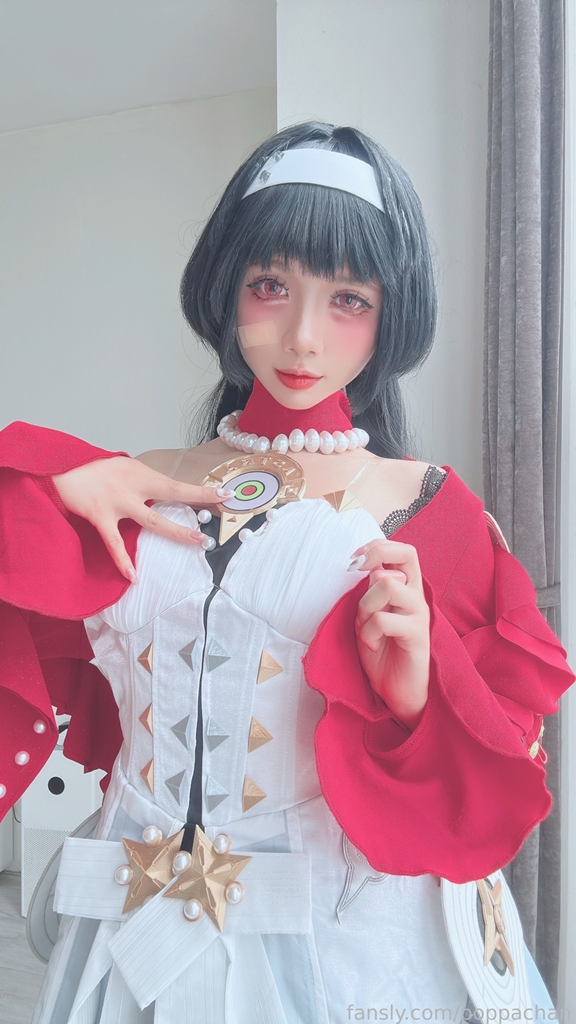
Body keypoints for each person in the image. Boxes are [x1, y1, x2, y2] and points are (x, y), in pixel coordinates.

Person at [0, 122, 573, 1024]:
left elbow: (503, 747)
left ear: (391, 312)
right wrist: (48, 478)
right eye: (270, 285)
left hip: (343, 947)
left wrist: (418, 693)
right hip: (128, 921)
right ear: (226, 285)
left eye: (348, 298)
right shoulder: (139, 479)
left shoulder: (429, 504)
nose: (302, 336)